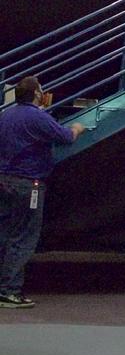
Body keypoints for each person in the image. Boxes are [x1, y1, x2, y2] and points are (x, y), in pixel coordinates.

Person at [0, 76, 85, 308]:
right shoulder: (37, 117)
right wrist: (77, 128)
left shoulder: (5, 115)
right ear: (37, 94)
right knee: (24, 237)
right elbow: (65, 137)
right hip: (28, 183)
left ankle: (4, 286)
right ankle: (9, 291)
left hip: (5, 180)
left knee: (5, 234)